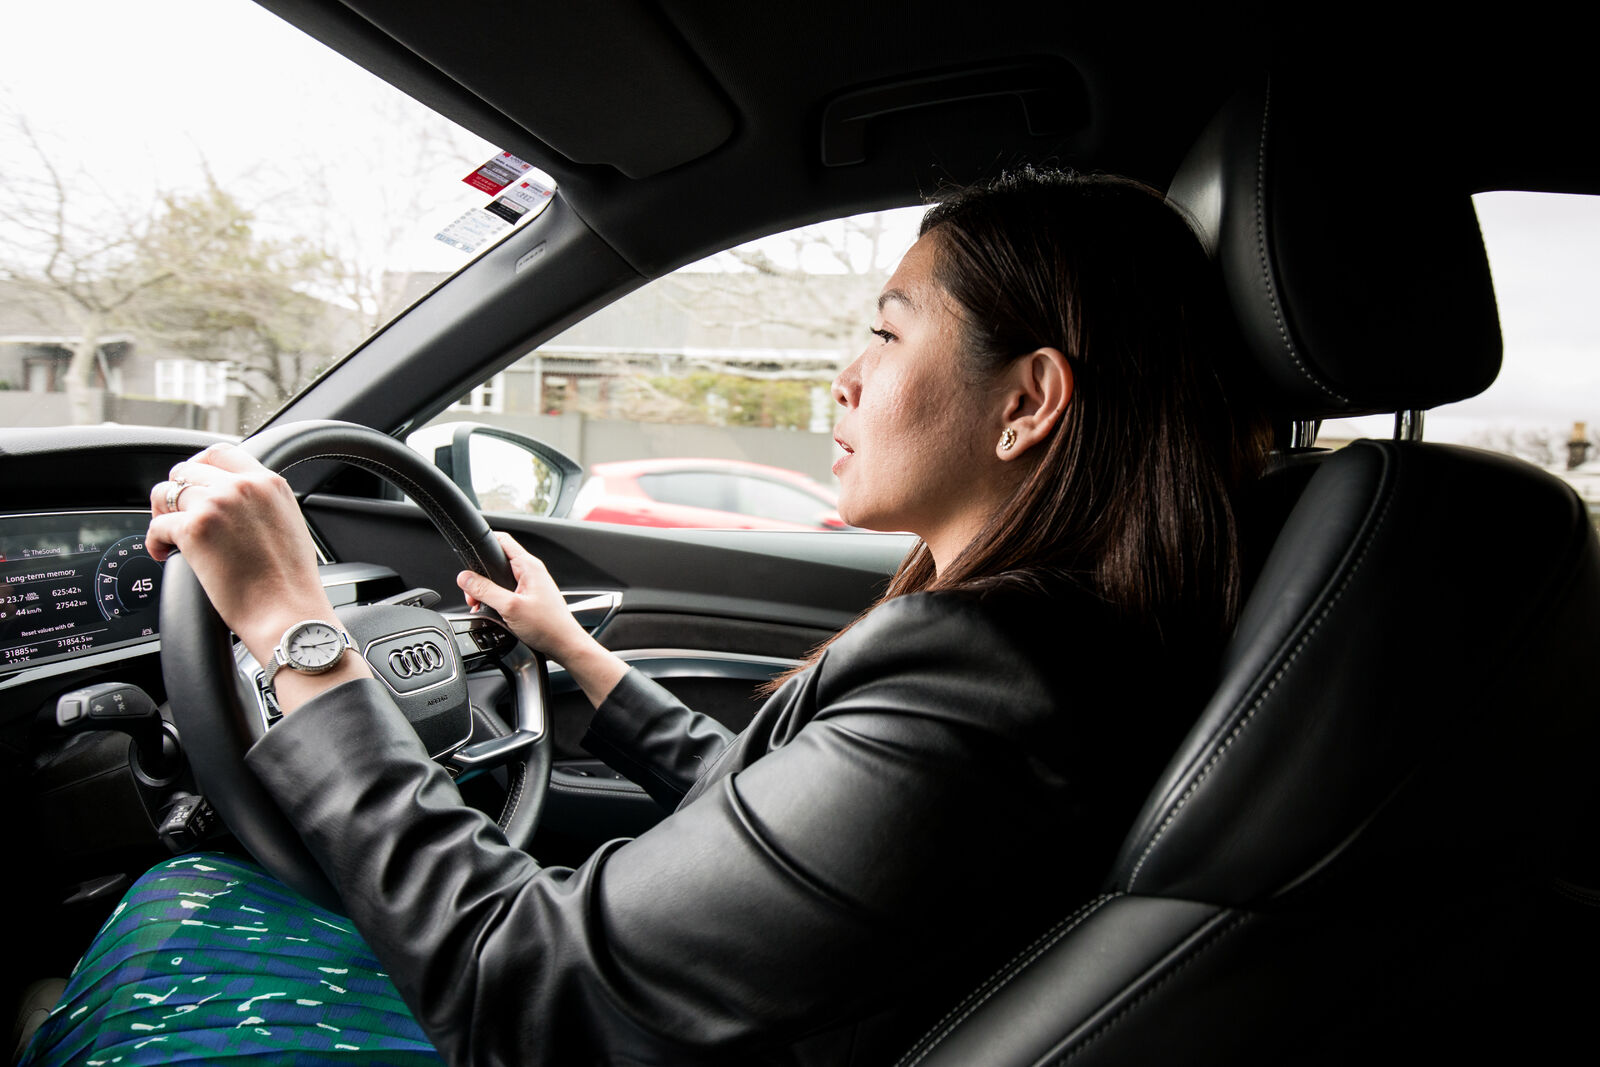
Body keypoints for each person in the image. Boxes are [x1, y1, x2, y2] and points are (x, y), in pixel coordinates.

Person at [21, 168, 1268, 1066]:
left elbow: (523, 989)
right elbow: (777, 819)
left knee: (181, 904)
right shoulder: (1060, 645)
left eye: (886, 333)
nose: (843, 377)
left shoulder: (993, 672)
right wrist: (572, 651)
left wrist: (299, 632)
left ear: (1030, 400)